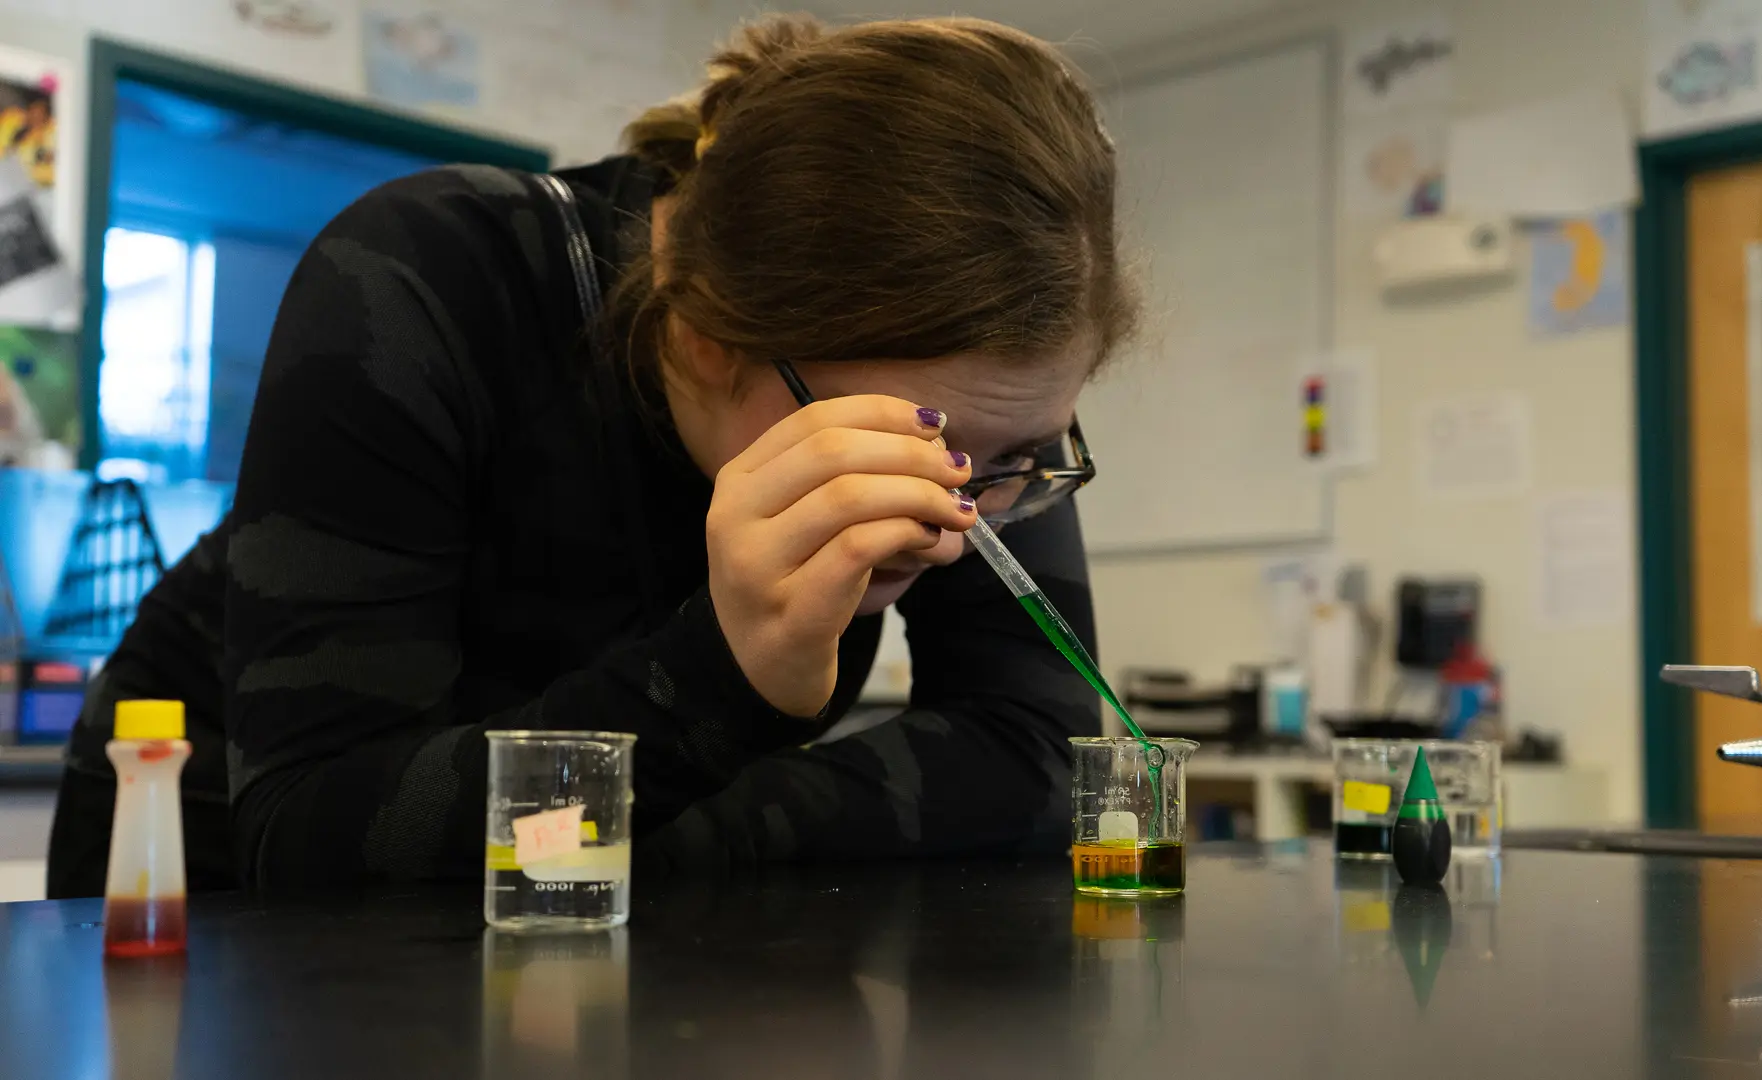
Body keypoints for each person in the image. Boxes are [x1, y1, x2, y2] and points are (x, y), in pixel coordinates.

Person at [46, 13, 1136, 896]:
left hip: (586, 901)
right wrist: (724, 677)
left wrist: (618, 842)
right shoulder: (430, 278)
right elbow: (316, 834)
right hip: (204, 873)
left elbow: (1042, 757)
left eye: (1021, 459)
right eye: (909, 449)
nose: (958, 528)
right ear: (706, 332)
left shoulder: (981, 433)